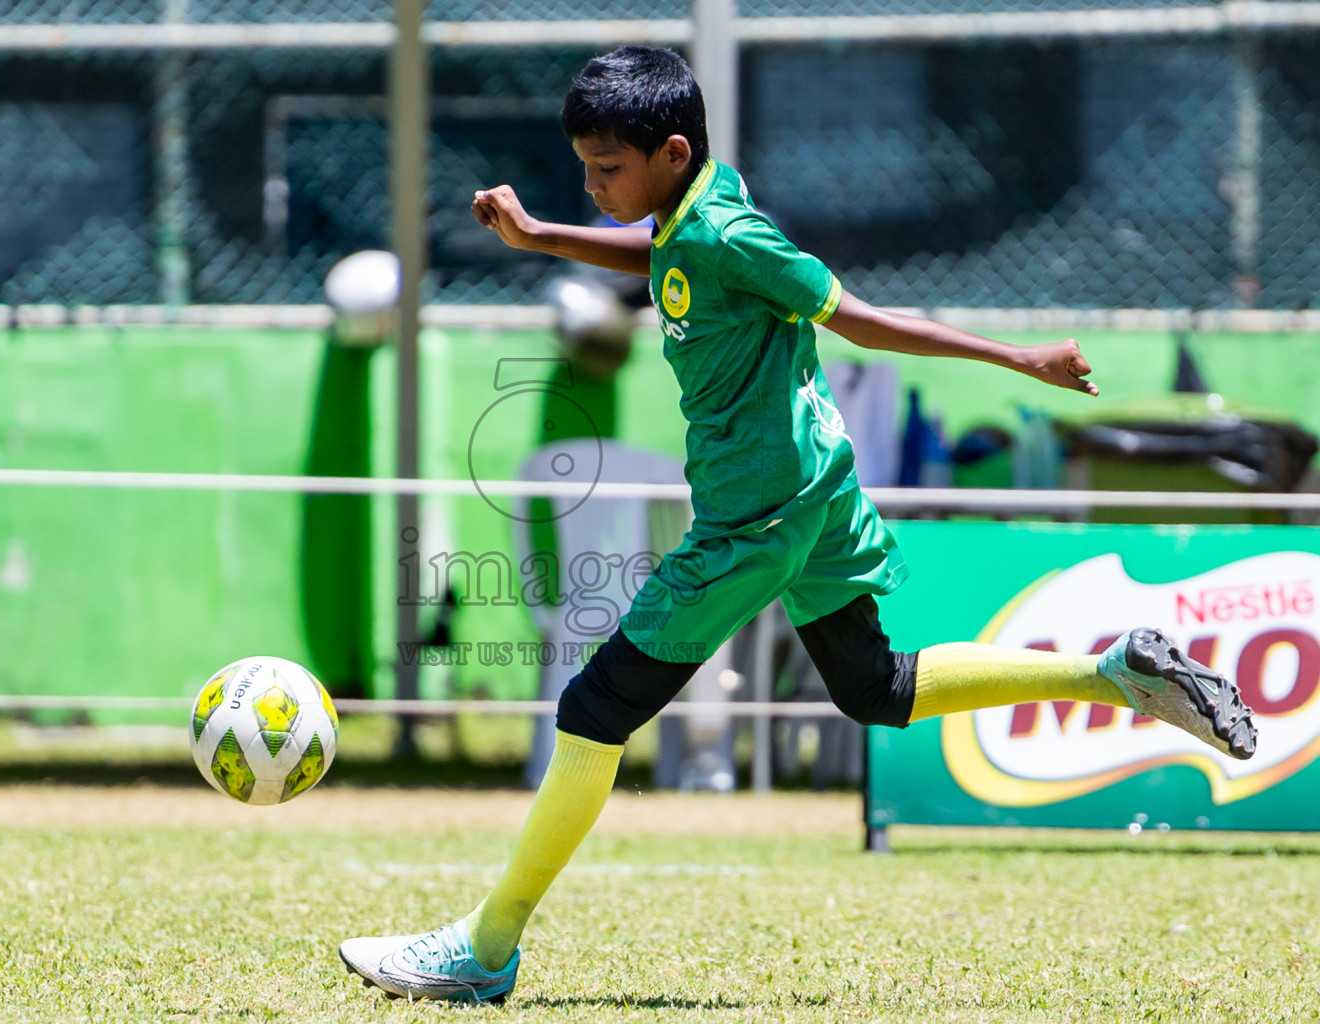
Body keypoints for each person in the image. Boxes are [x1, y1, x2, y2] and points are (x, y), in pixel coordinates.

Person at [339, 45, 1258, 1004]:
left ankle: (485, 951)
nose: (592, 182)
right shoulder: (691, 211)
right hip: (814, 493)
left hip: (754, 519)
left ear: (673, 150)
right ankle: (1111, 673)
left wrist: (1017, 357)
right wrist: (545, 236)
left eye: (606, 168)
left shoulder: (733, 236)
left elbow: (857, 320)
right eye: (585, 166)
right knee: (874, 687)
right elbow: (665, 255)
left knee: (591, 710)